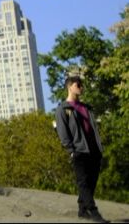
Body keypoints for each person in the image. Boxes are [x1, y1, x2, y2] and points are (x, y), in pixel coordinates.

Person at [55, 76, 106, 222]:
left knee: (91, 182)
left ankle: (82, 210)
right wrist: (71, 150)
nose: (81, 87)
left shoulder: (86, 107)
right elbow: (63, 132)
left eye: (82, 85)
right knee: (83, 181)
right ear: (70, 87)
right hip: (79, 150)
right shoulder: (63, 109)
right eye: (78, 85)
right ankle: (93, 211)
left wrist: (99, 146)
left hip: (94, 150)